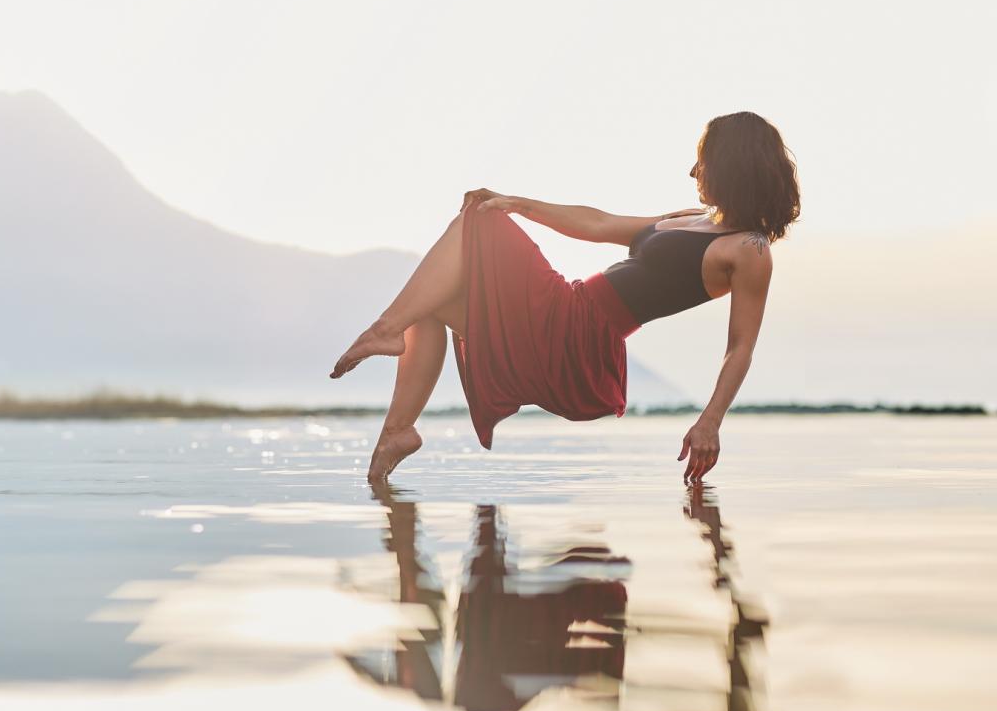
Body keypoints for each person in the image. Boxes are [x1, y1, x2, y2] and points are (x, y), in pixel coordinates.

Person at [329, 111, 800, 483]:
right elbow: (597, 224)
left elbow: (740, 347)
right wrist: (520, 203)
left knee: (480, 221)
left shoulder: (749, 250)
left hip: (579, 338)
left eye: (705, 160)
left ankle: (385, 330)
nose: (694, 170)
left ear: (734, 166)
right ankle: (398, 432)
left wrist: (710, 421)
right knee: (429, 298)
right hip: (566, 309)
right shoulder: (692, 217)